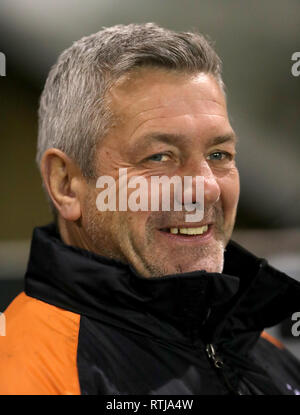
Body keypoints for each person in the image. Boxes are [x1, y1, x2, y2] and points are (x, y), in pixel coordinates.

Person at [0, 23, 299, 396]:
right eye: (159, 156)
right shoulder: (27, 369)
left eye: (219, 154)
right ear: (66, 184)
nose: (205, 187)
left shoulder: (263, 351)